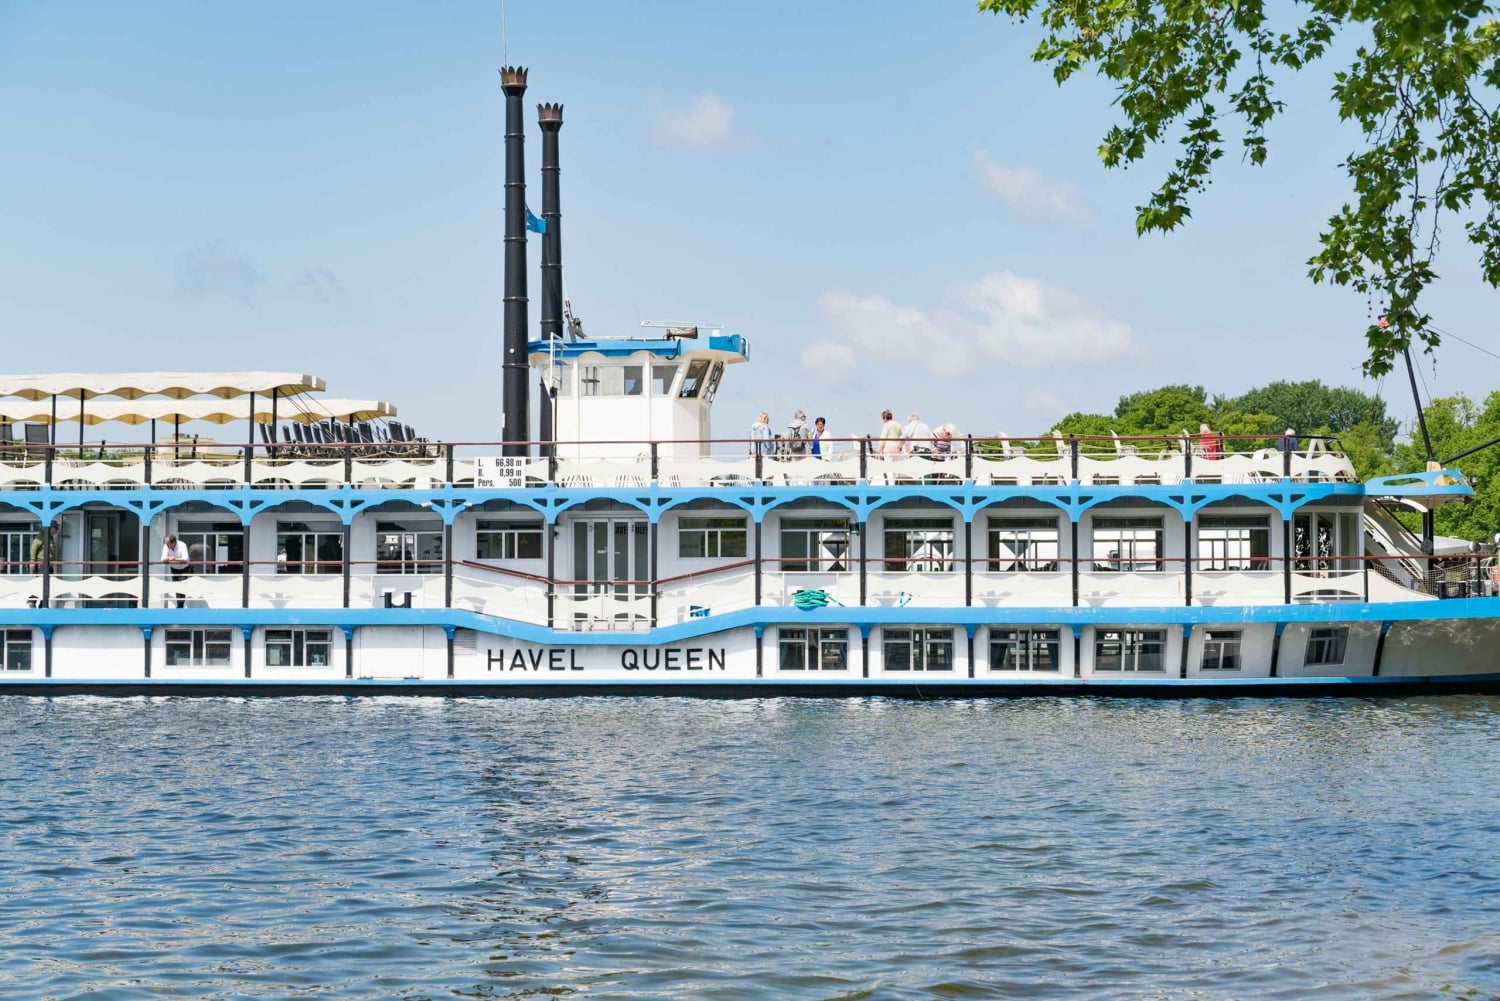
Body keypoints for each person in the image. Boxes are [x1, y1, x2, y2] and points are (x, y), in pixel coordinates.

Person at [161, 533, 191, 608]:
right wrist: (169, 558)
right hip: (174, 568)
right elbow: (162, 559)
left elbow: (186, 558)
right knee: (176, 586)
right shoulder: (166, 546)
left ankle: (180, 605)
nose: (167, 545)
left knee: (182, 586)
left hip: (184, 568)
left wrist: (174, 558)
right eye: (166, 544)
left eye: (168, 544)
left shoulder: (182, 545)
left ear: (173, 542)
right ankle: (180, 605)